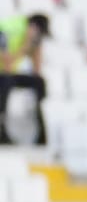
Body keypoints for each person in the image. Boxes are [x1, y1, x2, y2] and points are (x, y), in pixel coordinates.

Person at [0, 12, 50, 146]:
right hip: (4, 72)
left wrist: (36, 47)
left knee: (39, 82)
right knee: (6, 82)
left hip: (8, 74)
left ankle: (41, 130)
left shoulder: (33, 39)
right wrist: (27, 45)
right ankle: (2, 128)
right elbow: (7, 64)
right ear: (32, 27)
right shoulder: (6, 29)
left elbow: (37, 71)